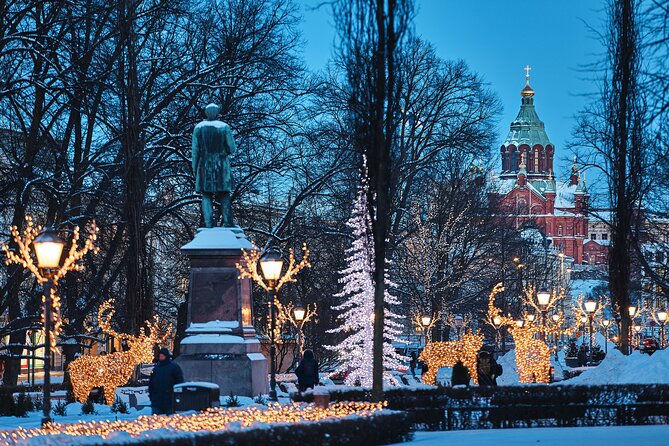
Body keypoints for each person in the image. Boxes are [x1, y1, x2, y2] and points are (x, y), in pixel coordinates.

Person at [149, 348, 184, 415]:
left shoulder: (174, 367)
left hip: (170, 400)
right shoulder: (156, 369)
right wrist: (152, 397)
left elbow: (179, 382)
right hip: (157, 400)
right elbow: (151, 384)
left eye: (163, 356)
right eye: (160, 356)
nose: (161, 357)